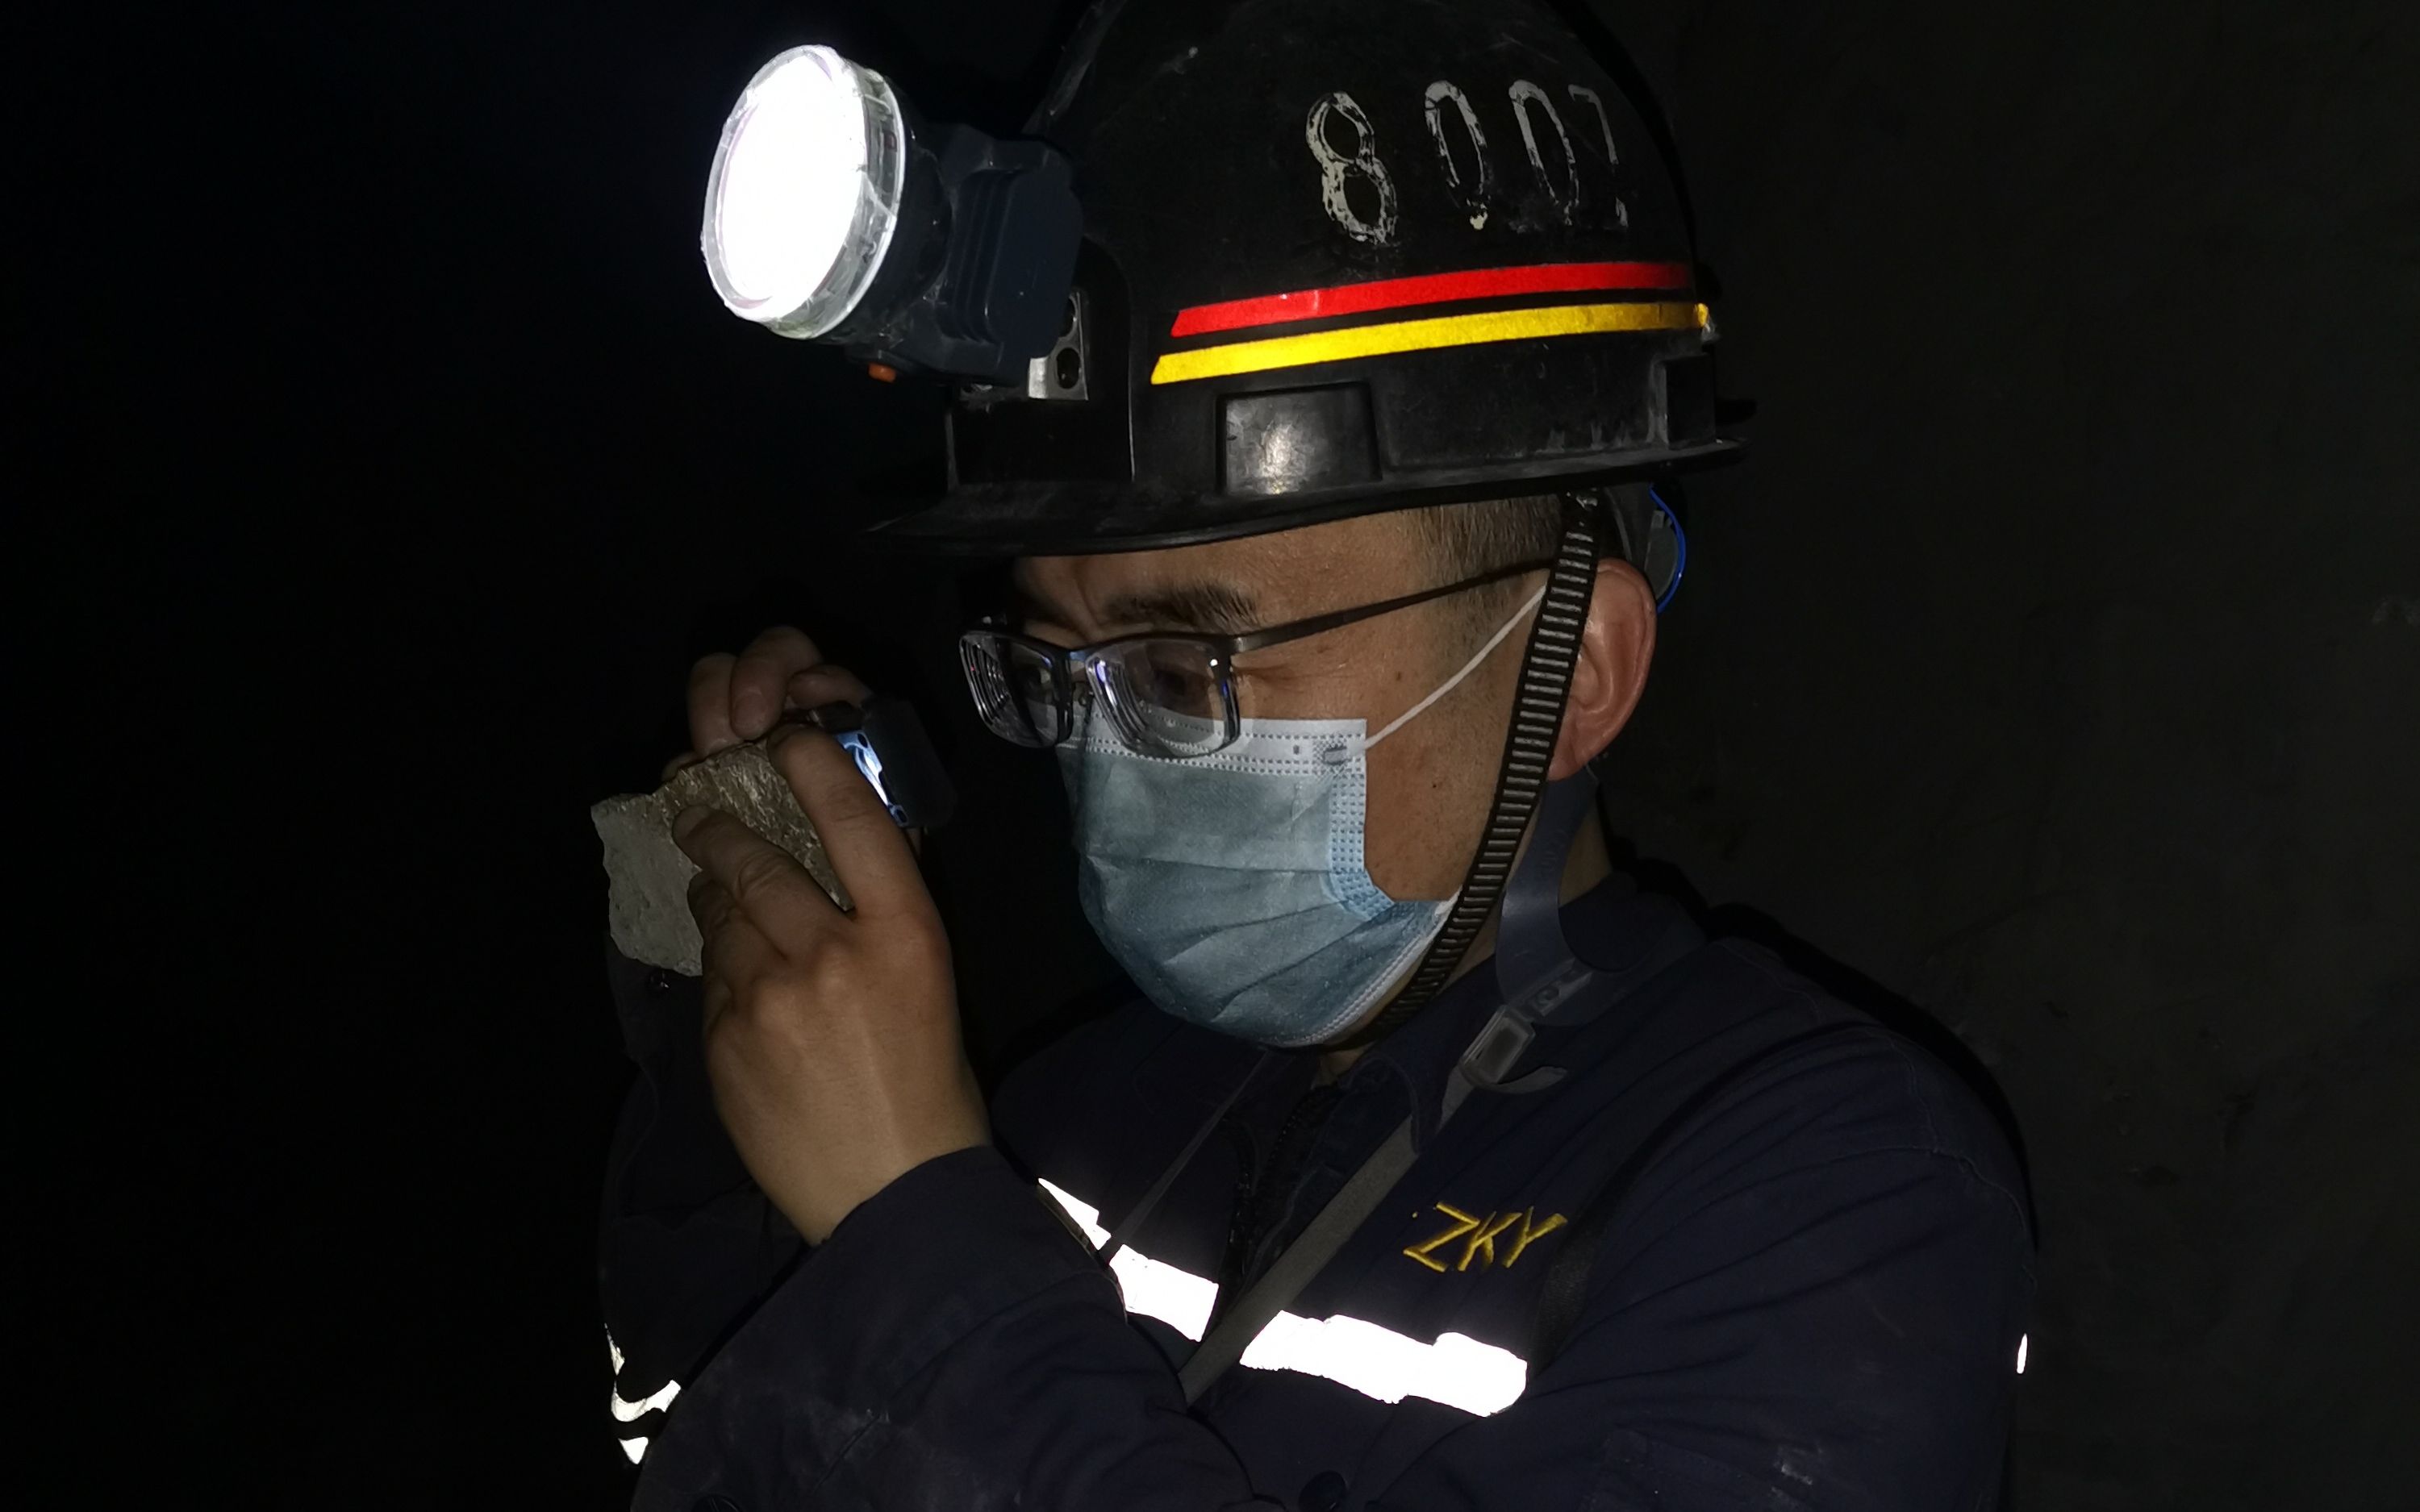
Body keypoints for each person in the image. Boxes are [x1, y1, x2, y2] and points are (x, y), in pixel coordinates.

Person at [599, 2, 2034, 1507]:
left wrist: (915, 1226)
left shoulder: (1836, 1192)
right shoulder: (1084, 1105)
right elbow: (692, 1441)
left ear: (1575, 667)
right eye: (1053, 671)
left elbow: (919, 1303)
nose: (1107, 753)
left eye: (1186, 666)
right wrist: (739, 1025)